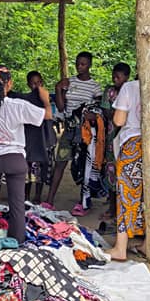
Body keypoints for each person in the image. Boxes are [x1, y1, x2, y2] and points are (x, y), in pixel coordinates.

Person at [108, 50, 150, 260]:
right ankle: (149, 244)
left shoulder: (129, 88)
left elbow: (119, 121)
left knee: (127, 195)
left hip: (131, 148)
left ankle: (121, 247)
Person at [0, 66, 51, 244]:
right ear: (8, 84)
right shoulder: (17, 105)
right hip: (14, 159)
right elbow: (47, 115)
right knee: (17, 206)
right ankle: (18, 242)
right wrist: (45, 101)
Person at [48, 51, 103, 207]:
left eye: (83, 64)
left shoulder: (95, 86)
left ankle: (83, 201)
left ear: (90, 65)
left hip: (85, 131)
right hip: (69, 128)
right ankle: (49, 200)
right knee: (61, 161)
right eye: (78, 63)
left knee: (83, 165)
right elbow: (60, 106)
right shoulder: (69, 82)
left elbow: (97, 109)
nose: (80, 66)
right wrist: (58, 88)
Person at [16, 71, 55, 205]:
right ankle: (26, 195)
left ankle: (38, 195)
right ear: (28, 85)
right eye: (33, 83)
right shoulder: (27, 100)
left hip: (44, 141)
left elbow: (50, 118)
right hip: (31, 142)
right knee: (27, 171)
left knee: (41, 171)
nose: (37, 86)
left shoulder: (46, 99)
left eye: (39, 83)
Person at [100, 63, 130, 216]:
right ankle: (112, 207)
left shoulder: (132, 90)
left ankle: (124, 209)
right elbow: (107, 112)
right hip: (112, 137)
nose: (115, 79)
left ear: (127, 77)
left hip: (128, 138)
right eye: (114, 77)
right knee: (111, 171)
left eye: (118, 77)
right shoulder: (109, 91)